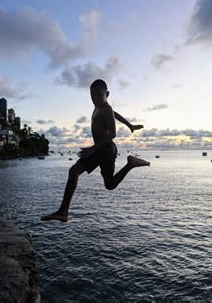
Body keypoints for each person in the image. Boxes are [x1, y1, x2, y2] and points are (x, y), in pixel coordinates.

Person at [41, 79, 150, 222]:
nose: (95, 98)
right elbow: (115, 114)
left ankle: (63, 212)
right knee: (109, 184)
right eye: (92, 96)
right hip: (105, 150)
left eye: (99, 95)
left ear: (107, 94)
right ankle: (130, 164)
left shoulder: (106, 108)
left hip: (104, 149)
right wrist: (129, 125)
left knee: (74, 171)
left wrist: (92, 149)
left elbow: (112, 134)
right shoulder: (99, 108)